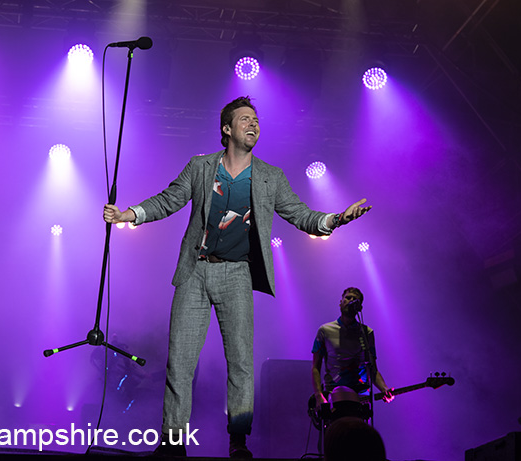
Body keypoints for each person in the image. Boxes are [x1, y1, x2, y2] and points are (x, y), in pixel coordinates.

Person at [103, 96, 372, 458]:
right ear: (227, 129)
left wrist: (336, 219)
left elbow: (301, 215)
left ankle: (238, 440)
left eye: (256, 120)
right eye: (245, 119)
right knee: (180, 362)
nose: (253, 124)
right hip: (195, 272)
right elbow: (169, 199)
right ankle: (172, 441)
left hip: (237, 275)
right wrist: (129, 214)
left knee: (241, 363)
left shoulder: (270, 176)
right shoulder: (200, 167)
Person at [312, 287, 394, 423]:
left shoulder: (367, 332)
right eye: (348, 298)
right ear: (340, 302)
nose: (350, 301)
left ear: (359, 307)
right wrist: (318, 395)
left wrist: (384, 388)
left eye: (355, 299)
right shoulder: (325, 331)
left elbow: (373, 369)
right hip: (334, 396)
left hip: (360, 397)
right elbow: (315, 367)